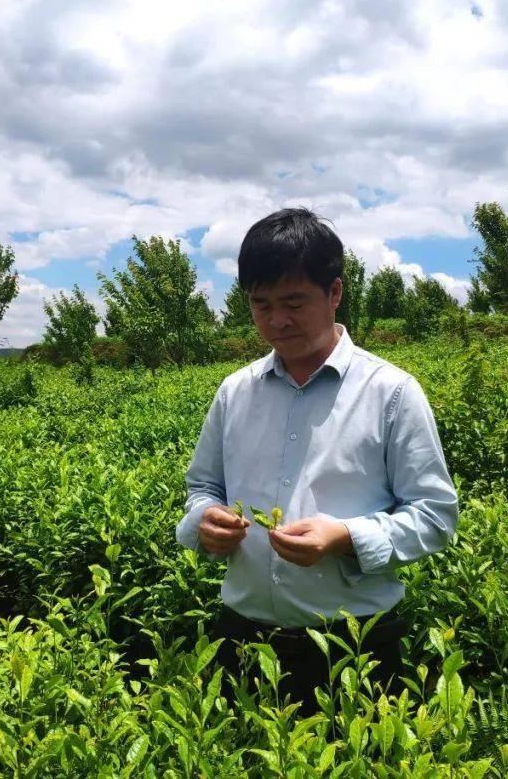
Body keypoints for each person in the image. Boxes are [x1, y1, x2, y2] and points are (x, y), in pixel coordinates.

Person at [175, 207, 459, 717]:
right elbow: (202, 488)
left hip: (353, 648)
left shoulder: (391, 392)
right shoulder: (235, 391)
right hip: (242, 634)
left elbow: (435, 517)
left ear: (334, 293)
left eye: (293, 302)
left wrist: (345, 537)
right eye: (260, 305)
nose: (276, 321)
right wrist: (204, 521)